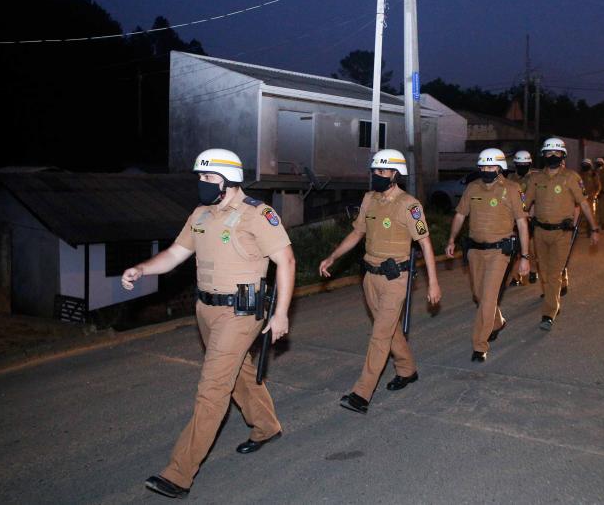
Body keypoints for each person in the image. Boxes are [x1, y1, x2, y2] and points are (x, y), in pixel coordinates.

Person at [123, 148, 295, 499]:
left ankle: (179, 473)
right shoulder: (201, 214)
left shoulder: (257, 214)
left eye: (207, 178)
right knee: (238, 374)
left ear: (229, 180)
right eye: (199, 177)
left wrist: (280, 314)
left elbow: (287, 261)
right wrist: (141, 269)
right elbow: (175, 254)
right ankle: (266, 426)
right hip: (206, 310)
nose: (201, 184)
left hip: (241, 312)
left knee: (212, 389)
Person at [319, 150, 441, 414]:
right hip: (369, 277)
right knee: (389, 330)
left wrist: (433, 283)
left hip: (396, 278)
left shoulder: (410, 205)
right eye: (375, 171)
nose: (377, 176)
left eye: (383, 172)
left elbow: (425, 244)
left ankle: (361, 394)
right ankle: (407, 370)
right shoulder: (369, 200)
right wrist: (333, 256)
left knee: (379, 335)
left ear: (395, 174)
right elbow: (357, 232)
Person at [445, 148, 530, 362]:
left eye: (491, 166)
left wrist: (525, 257)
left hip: (499, 252)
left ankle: (479, 345)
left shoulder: (512, 189)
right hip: (474, 250)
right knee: (479, 294)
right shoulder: (472, 188)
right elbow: (460, 215)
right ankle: (497, 322)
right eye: (483, 166)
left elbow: (522, 223)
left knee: (489, 297)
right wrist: (451, 239)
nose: (486, 170)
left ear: (500, 167)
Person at [526, 138, 598, 330]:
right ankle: (553, 300)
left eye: (556, 153)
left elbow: (583, 203)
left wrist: (594, 228)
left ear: (563, 155)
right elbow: (525, 205)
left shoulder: (571, 177)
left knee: (554, 274)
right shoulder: (536, 178)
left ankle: (548, 314)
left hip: (561, 234)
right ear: (543, 155)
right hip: (540, 232)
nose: (552, 156)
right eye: (549, 153)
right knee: (545, 273)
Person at [507, 150, 538, 286]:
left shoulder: (534, 178)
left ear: (529, 164)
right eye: (520, 164)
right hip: (513, 218)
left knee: (529, 248)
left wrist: (532, 217)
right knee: (514, 249)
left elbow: (536, 200)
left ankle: (533, 270)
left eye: (525, 164)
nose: (522, 166)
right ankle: (515, 276)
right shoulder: (510, 178)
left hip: (529, 217)